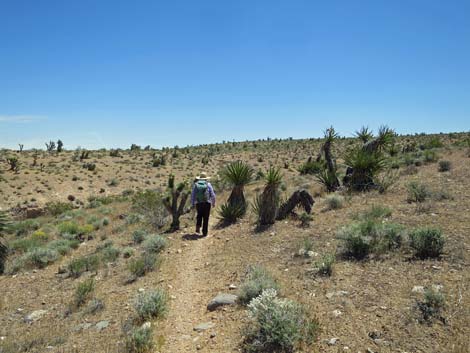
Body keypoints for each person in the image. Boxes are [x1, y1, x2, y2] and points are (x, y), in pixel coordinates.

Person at [191, 172, 216, 237]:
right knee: (206, 218)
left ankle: (198, 226)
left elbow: (193, 195)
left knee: (199, 215)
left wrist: (193, 203)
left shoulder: (196, 185)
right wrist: (213, 203)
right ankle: (205, 233)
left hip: (198, 203)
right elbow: (212, 194)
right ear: (206, 178)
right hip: (207, 203)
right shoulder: (208, 184)